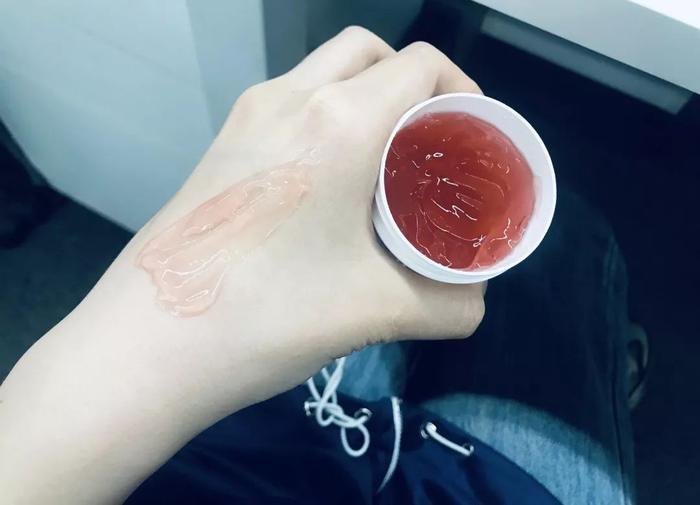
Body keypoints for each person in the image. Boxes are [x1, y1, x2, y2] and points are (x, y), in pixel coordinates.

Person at [0, 27, 637, 504]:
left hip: (229, 442)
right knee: (570, 243)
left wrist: (128, 348)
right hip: (471, 486)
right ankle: (610, 376)